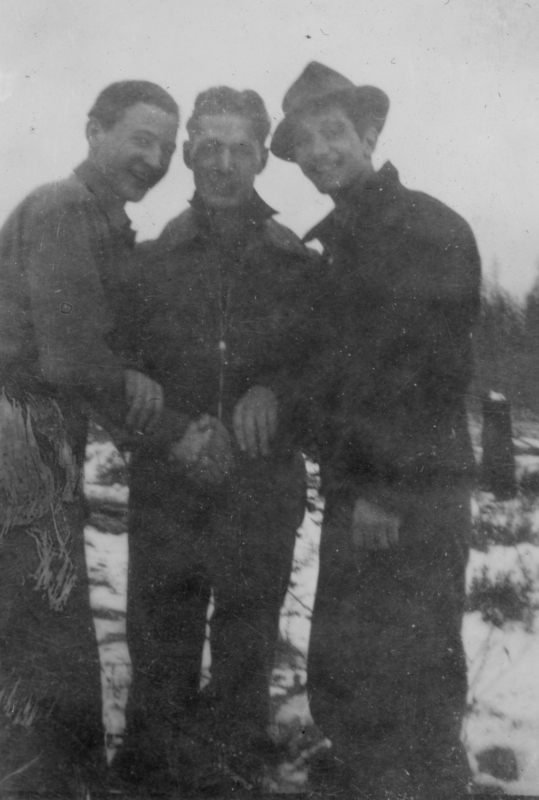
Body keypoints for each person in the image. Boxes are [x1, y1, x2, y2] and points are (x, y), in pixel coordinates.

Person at [271, 62, 481, 799]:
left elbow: (430, 372)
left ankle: (426, 782)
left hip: (407, 490)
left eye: (332, 132)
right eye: (303, 141)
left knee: (412, 666)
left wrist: (384, 489)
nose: (318, 151)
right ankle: (363, 773)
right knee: (349, 658)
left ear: (369, 132)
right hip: (361, 484)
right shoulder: (339, 242)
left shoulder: (424, 228)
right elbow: (333, 372)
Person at [121, 85, 320, 797]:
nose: (224, 164)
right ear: (187, 153)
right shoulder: (150, 260)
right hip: (168, 482)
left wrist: (278, 393)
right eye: (209, 147)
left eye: (240, 148)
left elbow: (327, 369)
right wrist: (168, 425)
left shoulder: (299, 263)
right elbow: (119, 364)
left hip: (260, 487)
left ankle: (232, 769)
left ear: (264, 156)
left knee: (245, 647)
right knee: (159, 645)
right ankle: (150, 773)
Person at [0, 80, 180, 798]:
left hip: (39, 434)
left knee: (44, 613)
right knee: (39, 621)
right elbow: (72, 358)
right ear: (94, 131)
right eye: (141, 138)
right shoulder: (64, 207)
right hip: (19, 431)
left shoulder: (102, 222)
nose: (155, 158)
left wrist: (131, 373)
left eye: (166, 146)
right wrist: (169, 434)